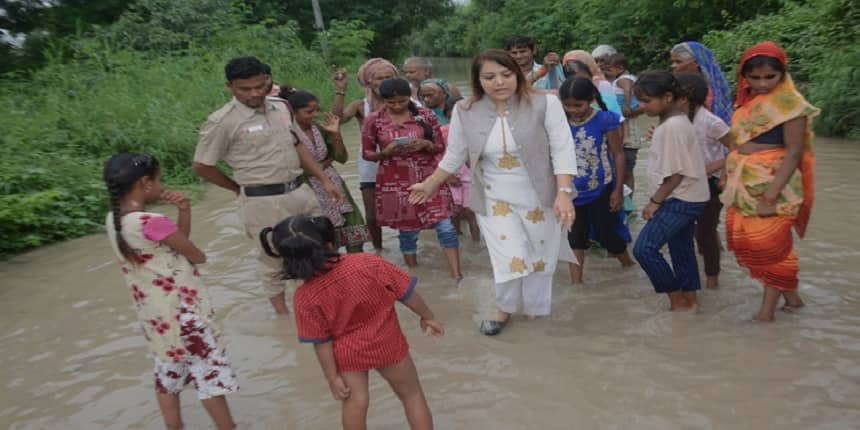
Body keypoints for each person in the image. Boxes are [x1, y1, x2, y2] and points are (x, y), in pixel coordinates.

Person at [408, 49, 577, 336]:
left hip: (540, 194)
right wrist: (430, 183)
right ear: (478, 81)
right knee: (509, 255)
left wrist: (563, 192)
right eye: (489, 77)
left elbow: (563, 149)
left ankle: (535, 309)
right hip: (493, 197)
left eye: (506, 74)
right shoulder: (466, 111)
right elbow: (454, 155)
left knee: (539, 255)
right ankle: (505, 308)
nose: (499, 82)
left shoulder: (545, 104)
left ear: (517, 74)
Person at [260, 215, 442, 430]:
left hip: (347, 354)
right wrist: (427, 316)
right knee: (412, 395)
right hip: (388, 344)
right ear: (328, 240)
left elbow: (322, 341)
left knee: (355, 404)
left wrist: (332, 377)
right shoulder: (367, 263)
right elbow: (408, 294)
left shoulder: (304, 296)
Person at [192, 56, 343, 315]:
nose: (254, 93)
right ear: (230, 86)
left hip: (300, 191)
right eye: (245, 89)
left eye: (260, 86)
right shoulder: (222, 121)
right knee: (273, 259)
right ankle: (283, 317)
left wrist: (324, 179)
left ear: (268, 80)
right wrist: (235, 188)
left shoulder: (282, 107)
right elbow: (202, 165)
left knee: (319, 248)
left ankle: (321, 305)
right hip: (262, 202)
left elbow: (297, 144)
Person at [103, 153, 238, 430]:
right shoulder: (151, 221)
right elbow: (195, 255)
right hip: (183, 311)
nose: (161, 184)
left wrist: (184, 210)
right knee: (207, 374)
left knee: (169, 370)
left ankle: (173, 426)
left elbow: (172, 246)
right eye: (159, 179)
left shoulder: (114, 220)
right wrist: (183, 218)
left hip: (155, 315)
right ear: (144, 182)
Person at [721, 41, 819, 322]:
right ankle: (793, 300)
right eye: (754, 77)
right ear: (744, 76)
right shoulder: (745, 102)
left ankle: (766, 314)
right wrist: (727, 178)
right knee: (752, 243)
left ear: (782, 74)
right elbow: (737, 143)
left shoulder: (792, 105)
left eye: (769, 77)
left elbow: (794, 153)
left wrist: (770, 197)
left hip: (775, 190)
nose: (762, 83)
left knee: (771, 247)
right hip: (744, 191)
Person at [361, 77, 463, 278]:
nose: (397, 106)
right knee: (407, 230)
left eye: (402, 101)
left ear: (410, 97)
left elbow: (439, 147)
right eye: (392, 103)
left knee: (445, 226)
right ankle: (414, 274)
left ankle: (457, 275)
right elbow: (367, 154)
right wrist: (386, 152)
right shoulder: (374, 120)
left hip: (428, 176)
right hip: (395, 181)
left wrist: (426, 145)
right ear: (383, 100)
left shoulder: (426, 115)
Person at [631, 71, 709, 311]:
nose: (642, 107)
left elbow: (676, 174)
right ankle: (690, 299)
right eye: (640, 101)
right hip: (689, 196)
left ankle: (677, 300)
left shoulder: (672, 126)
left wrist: (654, 202)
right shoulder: (676, 121)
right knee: (681, 249)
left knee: (644, 249)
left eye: (646, 101)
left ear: (667, 97)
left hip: (681, 198)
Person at [558, 77, 635, 284]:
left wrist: (617, 190)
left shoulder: (605, 120)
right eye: (568, 105)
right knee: (575, 237)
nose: (573, 110)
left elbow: (618, 154)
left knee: (606, 234)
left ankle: (629, 265)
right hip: (571, 191)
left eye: (578, 105)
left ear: (591, 99)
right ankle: (577, 285)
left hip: (602, 188)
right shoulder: (559, 121)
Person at [285, 89, 371, 253]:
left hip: (334, 184)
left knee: (354, 235)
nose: (315, 115)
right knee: (320, 238)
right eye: (309, 112)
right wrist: (320, 167)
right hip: (307, 188)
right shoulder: (287, 135)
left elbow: (341, 157)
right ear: (293, 113)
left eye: (317, 110)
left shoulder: (319, 129)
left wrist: (335, 133)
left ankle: (356, 270)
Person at [332, 58, 399, 251]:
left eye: (389, 77)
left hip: (399, 160)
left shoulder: (404, 102)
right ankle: (379, 251)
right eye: (379, 78)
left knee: (405, 209)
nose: (384, 82)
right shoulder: (361, 106)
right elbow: (337, 120)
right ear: (369, 81)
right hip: (369, 163)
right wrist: (340, 90)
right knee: (372, 215)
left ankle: (409, 249)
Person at [675, 73, 733, 289]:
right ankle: (690, 277)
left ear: (684, 98)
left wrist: (719, 170)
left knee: (705, 235)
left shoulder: (711, 122)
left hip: (709, 184)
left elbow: (736, 148)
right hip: (684, 182)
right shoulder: (676, 119)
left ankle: (712, 281)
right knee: (685, 232)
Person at [605, 52, 650, 205]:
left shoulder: (624, 79)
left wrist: (627, 106)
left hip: (627, 130)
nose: (607, 72)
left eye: (610, 69)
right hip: (629, 127)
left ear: (620, 68)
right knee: (627, 170)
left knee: (625, 169)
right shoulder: (629, 78)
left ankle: (627, 203)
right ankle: (627, 203)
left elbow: (627, 91)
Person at [440, 96, 481, 242]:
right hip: (450, 175)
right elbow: (440, 156)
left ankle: (475, 244)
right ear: (446, 115)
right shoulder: (443, 132)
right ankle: (460, 243)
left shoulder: (477, 132)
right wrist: (447, 176)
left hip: (470, 177)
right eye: (453, 117)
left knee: (471, 213)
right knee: (454, 213)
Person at [670, 41, 733, 125]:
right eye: (672, 62)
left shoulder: (712, 88)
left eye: (678, 62)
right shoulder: (675, 85)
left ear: (696, 63)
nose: (673, 66)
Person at [561, 50, 623, 116]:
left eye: (578, 105)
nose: (572, 110)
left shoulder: (605, 94)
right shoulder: (563, 98)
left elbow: (619, 120)